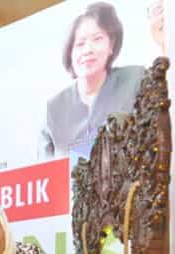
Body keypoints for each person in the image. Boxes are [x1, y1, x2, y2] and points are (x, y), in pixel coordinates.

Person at [39, 2, 145, 158]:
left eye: (97, 39)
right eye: (80, 44)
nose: (88, 50)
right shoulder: (53, 109)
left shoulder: (135, 79)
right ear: (69, 52)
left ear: (111, 44)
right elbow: (44, 168)